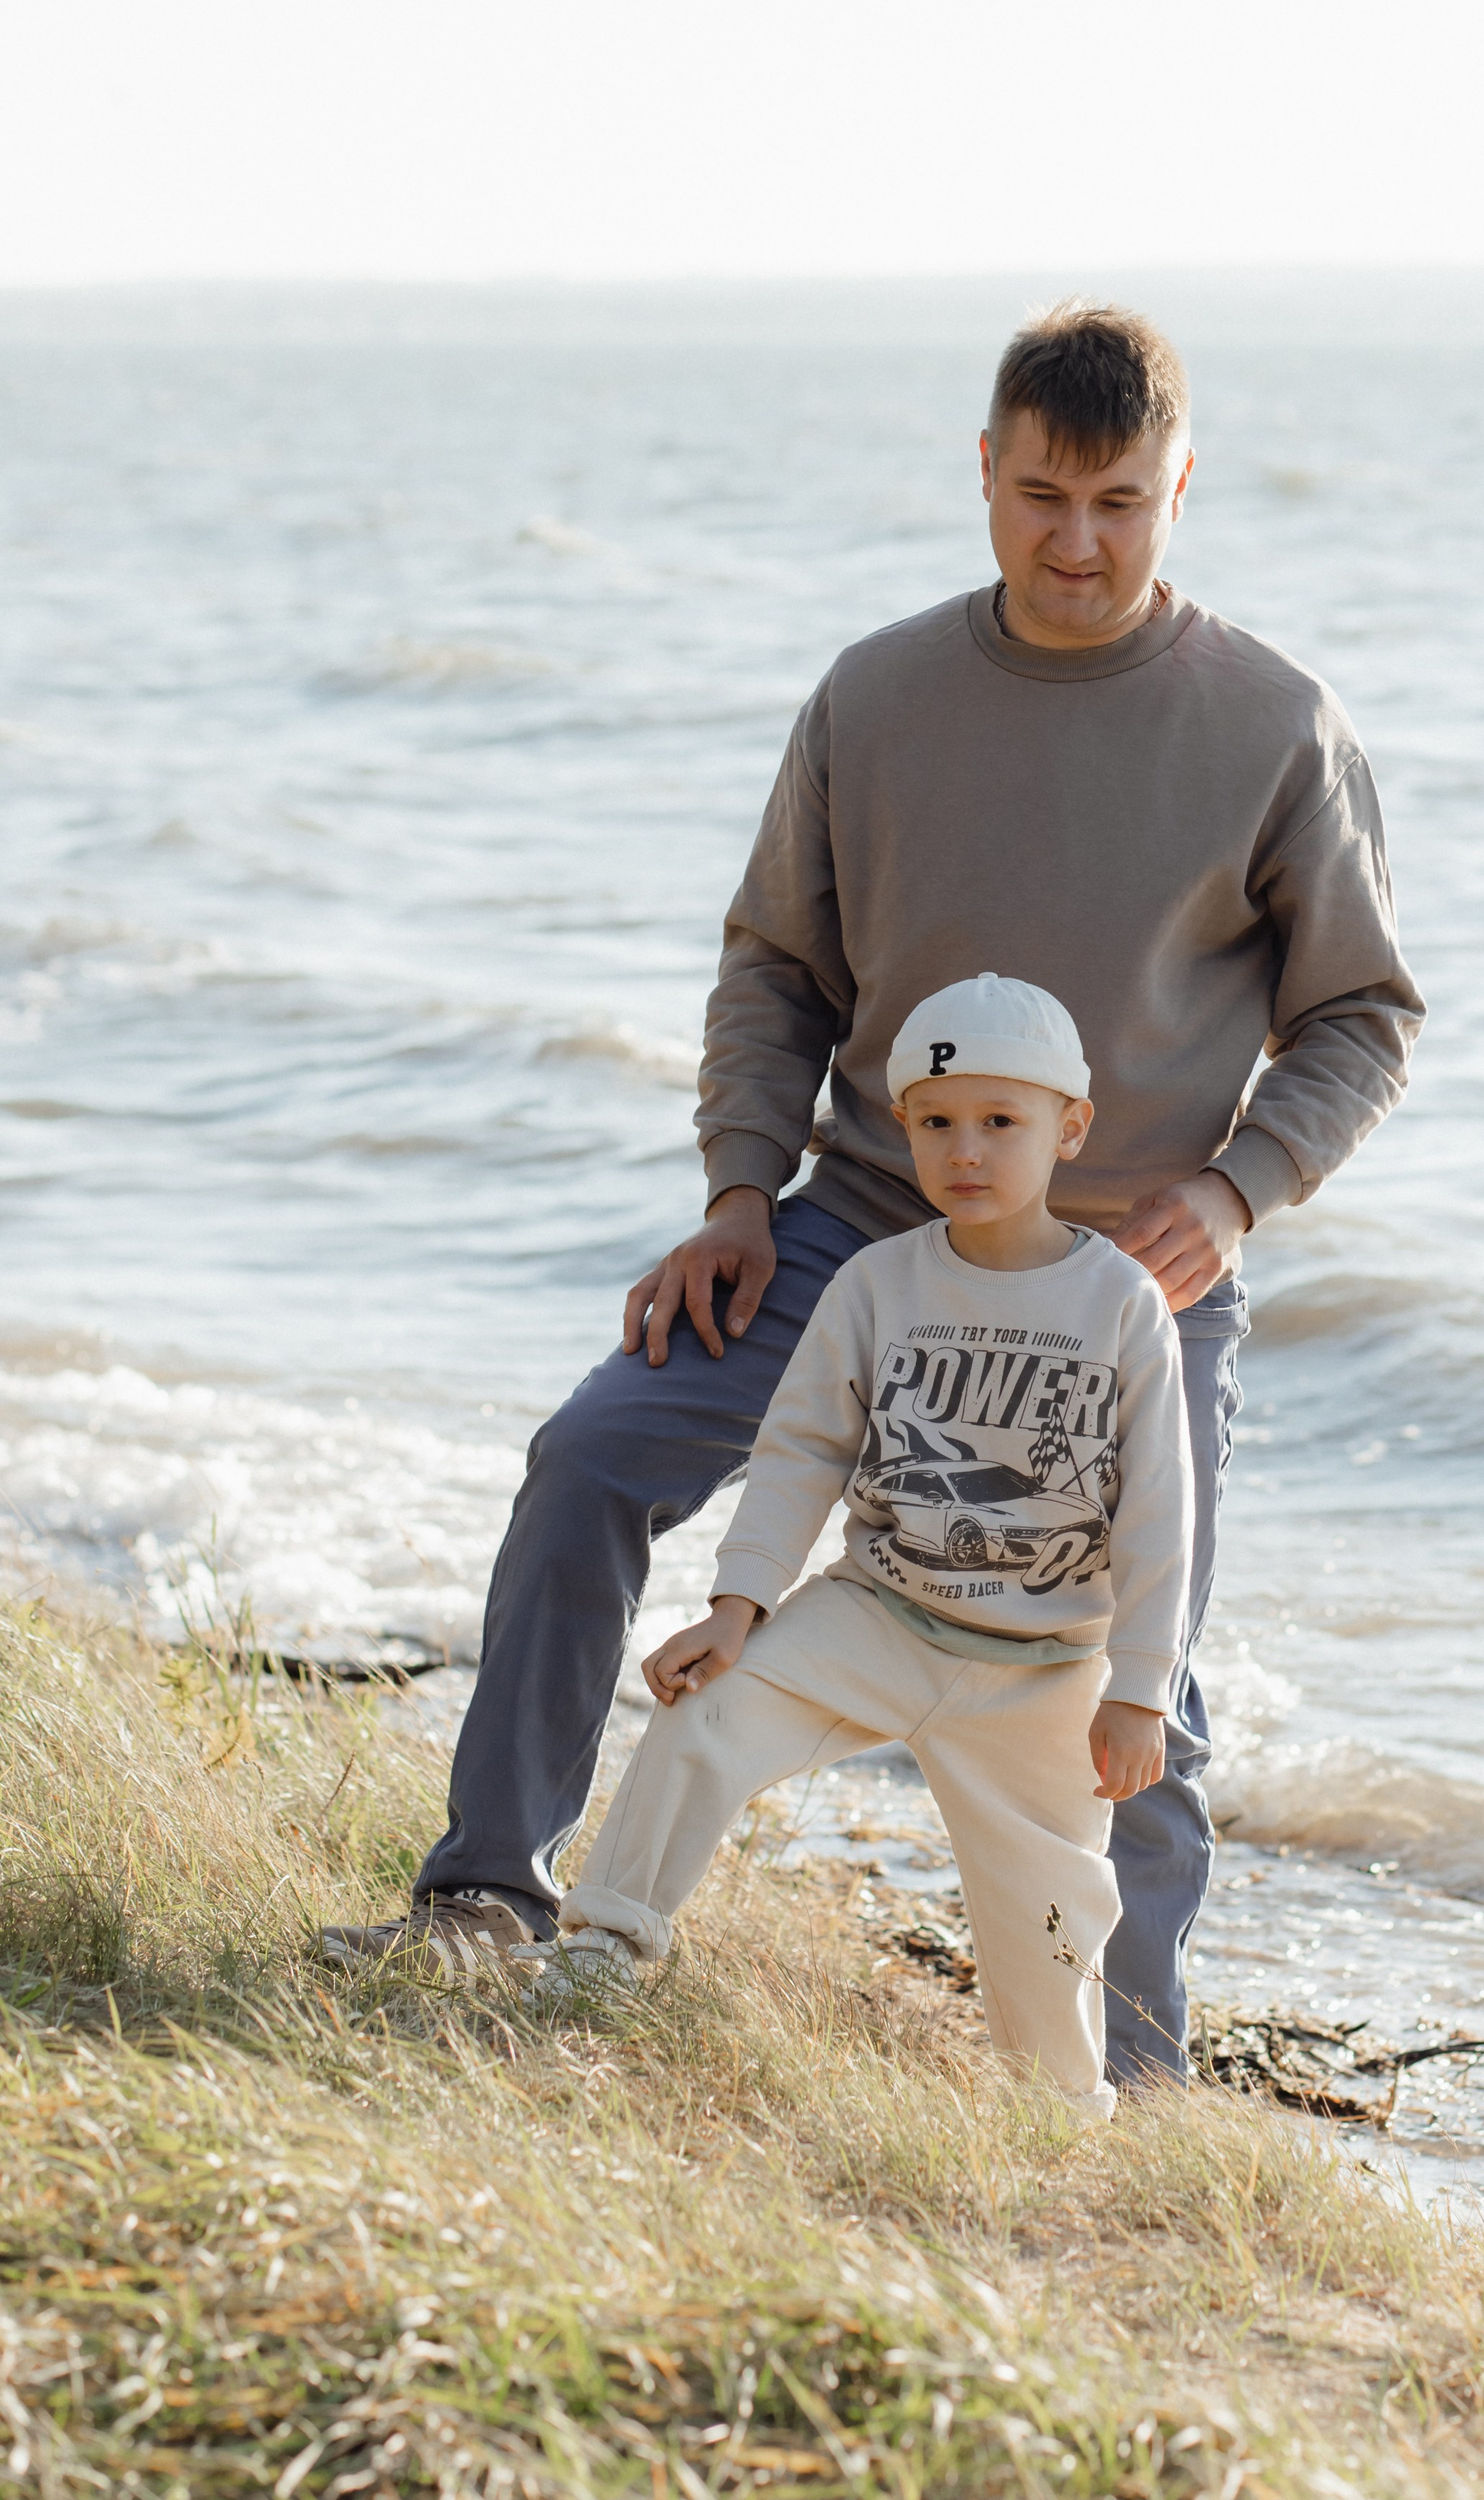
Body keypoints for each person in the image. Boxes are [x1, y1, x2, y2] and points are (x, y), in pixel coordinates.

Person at [323, 299, 1425, 2086]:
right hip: (854, 1225)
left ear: (1179, 489)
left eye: (1120, 504)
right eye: (1043, 495)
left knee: (1139, 1668)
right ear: (982, 472)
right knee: (592, 1458)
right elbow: (776, 966)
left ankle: (1132, 2083)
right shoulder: (877, 695)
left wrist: (1233, 1196)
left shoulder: (1275, 725)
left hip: (1129, 1269)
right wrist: (737, 1189)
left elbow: (1361, 1016)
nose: (1078, 542)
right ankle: (484, 1895)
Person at [519, 977, 1192, 2121]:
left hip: (1041, 1672)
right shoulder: (878, 1282)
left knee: (1051, 1921)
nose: (965, 1149)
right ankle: (600, 1957)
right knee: (704, 1718)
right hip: (878, 1616)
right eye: (936, 1121)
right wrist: (738, 1605)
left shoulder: (1122, 1304)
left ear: (1070, 1127)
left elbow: (1161, 1514)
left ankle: (1060, 2119)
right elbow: (801, 1452)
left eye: (1000, 1120)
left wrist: (1139, 1691)